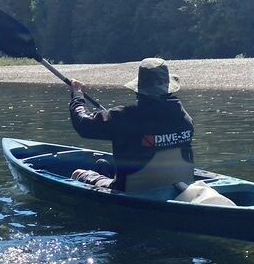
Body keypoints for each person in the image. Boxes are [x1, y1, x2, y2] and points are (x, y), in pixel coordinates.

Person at [68, 58, 195, 198]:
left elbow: (82, 124)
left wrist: (78, 95)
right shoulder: (185, 118)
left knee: (78, 173)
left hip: (130, 190)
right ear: (168, 89)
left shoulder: (124, 118)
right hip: (178, 187)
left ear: (139, 91)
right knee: (104, 165)